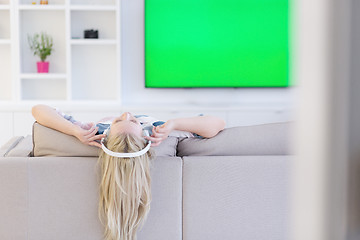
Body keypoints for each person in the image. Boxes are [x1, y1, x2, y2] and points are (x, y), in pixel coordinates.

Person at [31, 104, 226, 240]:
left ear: (106, 134)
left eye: (118, 120)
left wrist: (74, 130)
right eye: (133, 120)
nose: (126, 113)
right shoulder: (158, 131)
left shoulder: (94, 131)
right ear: (145, 136)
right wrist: (173, 124)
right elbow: (217, 123)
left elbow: (38, 110)